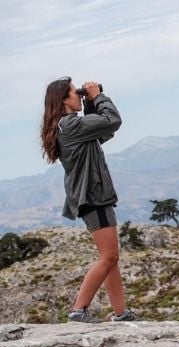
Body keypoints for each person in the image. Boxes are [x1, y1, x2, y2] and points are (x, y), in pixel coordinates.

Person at [40, 77, 138, 323]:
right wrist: (97, 97)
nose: (79, 96)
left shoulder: (68, 126)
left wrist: (92, 104)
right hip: (93, 197)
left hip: (94, 196)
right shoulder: (69, 126)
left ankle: (120, 312)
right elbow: (113, 120)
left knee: (111, 257)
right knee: (109, 257)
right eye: (76, 93)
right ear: (63, 100)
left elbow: (104, 131)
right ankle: (78, 310)